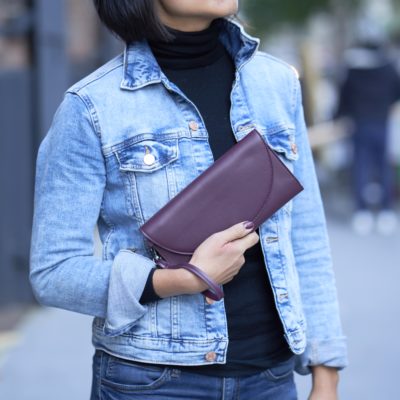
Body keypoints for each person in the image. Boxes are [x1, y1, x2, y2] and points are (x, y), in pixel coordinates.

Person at [29, 1, 347, 399]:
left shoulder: (276, 83)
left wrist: (326, 372)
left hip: (271, 379)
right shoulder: (92, 106)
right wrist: (175, 280)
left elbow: (307, 236)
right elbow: (54, 271)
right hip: (152, 382)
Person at [337, 39, 400, 235]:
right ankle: (386, 212)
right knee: (383, 167)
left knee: (361, 167)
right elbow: (396, 93)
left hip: (359, 124)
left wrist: (339, 116)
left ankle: (362, 212)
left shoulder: (354, 70)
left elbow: (343, 98)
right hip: (381, 122)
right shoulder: (388, 67)